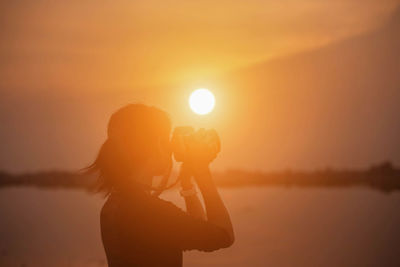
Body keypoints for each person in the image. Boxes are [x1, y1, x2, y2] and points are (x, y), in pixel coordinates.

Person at [86, 104, 234, 267]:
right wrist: (202, 171)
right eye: (167, 139)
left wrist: (187, 184)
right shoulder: (151, 212)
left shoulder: (116, 204)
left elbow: (199, 228)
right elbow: (223, 235)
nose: (171, 148)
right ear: (157, 143)